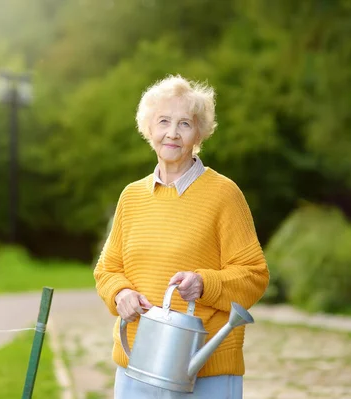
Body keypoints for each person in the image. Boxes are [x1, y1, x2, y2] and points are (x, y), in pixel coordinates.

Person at [93, 75, 270, 398]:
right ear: (149, 129)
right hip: (137, 362)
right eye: (163, 121)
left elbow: (254, 275)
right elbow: (107, 270)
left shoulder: (224, 194)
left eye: (184, 124)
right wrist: (120, 295)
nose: (172, 133)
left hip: (205, 368)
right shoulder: (131, 197)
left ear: (198, 133)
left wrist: (204, 284)